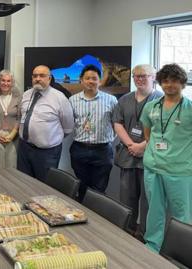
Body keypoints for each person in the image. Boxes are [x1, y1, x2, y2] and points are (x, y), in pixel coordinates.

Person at [140, 63, 192, 252]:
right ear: (160, 83)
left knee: (182, 213)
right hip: (153, 167)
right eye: (166, 81)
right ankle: (153, 245)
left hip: (180, 170)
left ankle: (182, 250)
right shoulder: (151, 107)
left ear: (183, 83)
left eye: (175, 81)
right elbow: (148, 134)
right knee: (155, 210)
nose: (170, 85)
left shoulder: (190, 108)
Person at [112, 64, 162, 238]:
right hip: (128, 155)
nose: (139, 79)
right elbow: (117, 123)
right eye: (136, 76)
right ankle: (127, 232)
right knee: (127, 199)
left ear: (153, 77)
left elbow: (162, 130)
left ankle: (147, 235)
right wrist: (131, 145)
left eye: (144, 76)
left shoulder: (161, 100)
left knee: (149, 201)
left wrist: (143, 146)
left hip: (150, 157)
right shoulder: (124, 99)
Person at [69, 64, 117, 202]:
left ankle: (98, 220)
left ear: (100, 81)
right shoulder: (73, 100)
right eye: (87, 78)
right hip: (79, 148)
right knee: (81, 186)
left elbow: (117, 124)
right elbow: (68, 122)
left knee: (99, 189)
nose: (91, 81)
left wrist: (110, 139)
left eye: (94, 78)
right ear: (81, 80)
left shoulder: (111, 100)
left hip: (102, 150)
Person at [18, 65, 74, 181]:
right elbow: (21, 117)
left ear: (49, 78)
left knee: (44, 188)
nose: (38, 79)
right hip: (24, 148)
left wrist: (50, 139)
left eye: (42, 76)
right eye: (35, 76)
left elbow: (68, 127)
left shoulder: (60, 98)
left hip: (47, 153)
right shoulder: (26, 94)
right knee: (24, 183)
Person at [0, 70, 22, 168]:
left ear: (12, 83)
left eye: (8, 81)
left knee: (12, 166)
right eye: (3, 80)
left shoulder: (18, 97)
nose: (5, 83)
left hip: (13, 137)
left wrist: (12, 135)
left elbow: (19, 118)